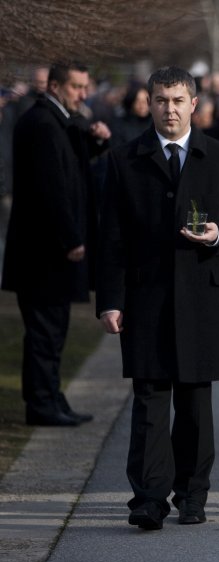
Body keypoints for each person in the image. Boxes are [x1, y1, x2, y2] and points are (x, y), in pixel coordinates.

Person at [97, 66, 219, 530]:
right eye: (161, 100)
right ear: (149, 103)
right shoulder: (124, 159)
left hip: (201, 295)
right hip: (146, 297)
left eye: (178, 100)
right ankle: (147, 497)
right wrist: (110, 299)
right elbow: (111, 238)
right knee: (148, 398)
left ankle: (191, 493)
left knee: (193, 403)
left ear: (194, 104)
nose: (169, 108)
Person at [2, 61, 110, 426]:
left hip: (50, 251)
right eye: (77, 87)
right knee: (45, 333)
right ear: (56, 86)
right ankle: (42, 404)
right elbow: (51, 189)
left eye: (86, 87)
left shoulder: (57, 119)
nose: (84, 94)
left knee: (54, 330)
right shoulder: (43, 123)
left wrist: (94, 143)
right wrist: (71, 238)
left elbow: (70, 168)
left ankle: (51, 397)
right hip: (44, 253)